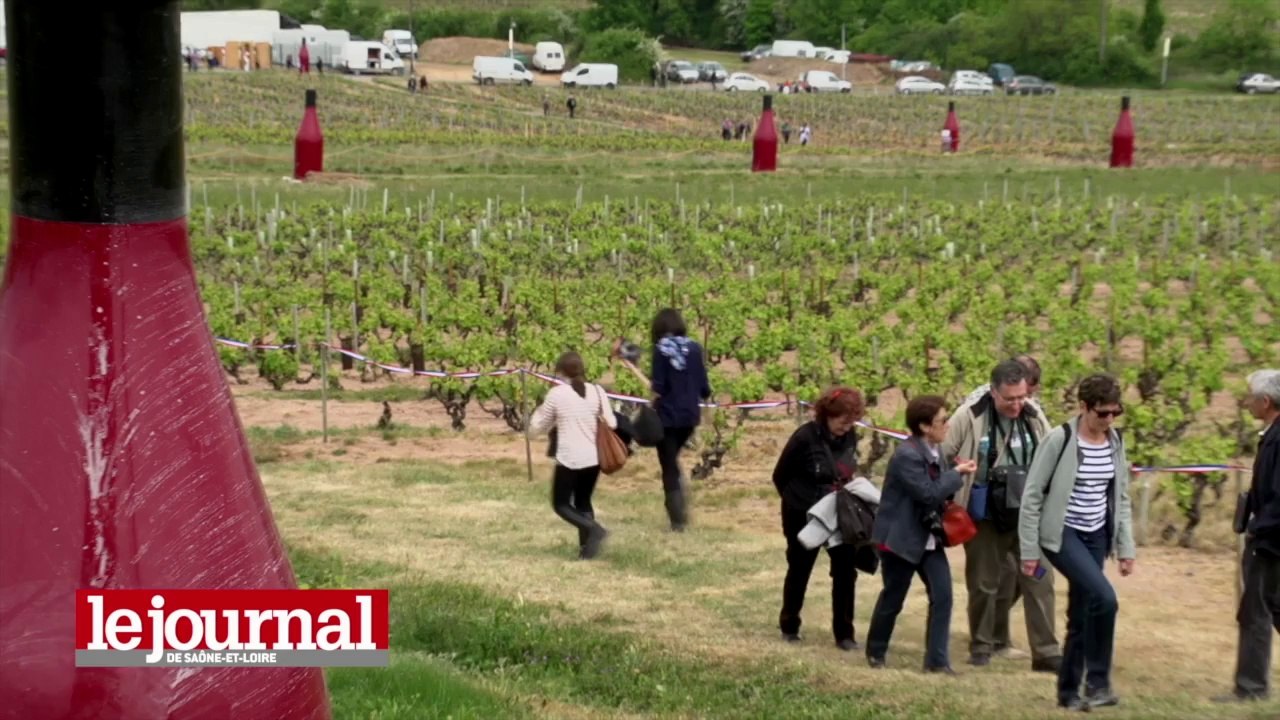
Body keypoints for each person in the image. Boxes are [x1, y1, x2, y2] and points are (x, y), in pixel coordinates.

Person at [1020, 373, 1135, 711]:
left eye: (1116, 412)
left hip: (1097, 534)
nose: (1110, 420)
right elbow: (1032, 496)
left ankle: (1071, 693)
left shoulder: (1115, 441)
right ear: (1083, 407)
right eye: (1103, 413)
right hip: (1063, 534)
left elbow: (1122, 496)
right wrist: (1030, 550)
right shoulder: (1060, 439)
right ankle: (1098, 682)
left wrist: (1126, 547)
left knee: (1083, 611)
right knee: (1105, 599)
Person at [944, 359, 1060, 671]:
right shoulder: (970, 415)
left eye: (1022, 397)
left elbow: (1052, 452)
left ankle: (1047, 653)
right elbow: (943, 453)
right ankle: (981, 645)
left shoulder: (1034, 414)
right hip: (984, 514)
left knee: (1040, 580)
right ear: (994, 391)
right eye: (1009, 399)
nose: (1017, 404)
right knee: (983, 583)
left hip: (1027, 514)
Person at [867, 396, 976, 672]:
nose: (948, 425)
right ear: (925, 426)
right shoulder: (907, 455)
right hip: (900, 539)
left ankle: (937, 663)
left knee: (943, 596)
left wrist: (952, 474)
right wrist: (956, 474)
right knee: (894, 597)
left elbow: (937, 492)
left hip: (927, 536)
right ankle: (876, 651)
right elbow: (927, 493)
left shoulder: (934, 450)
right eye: (942, 420)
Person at [772, 387, 867, 649]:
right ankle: (789, 625)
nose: (845, 428)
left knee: (846, 571)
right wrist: (798, 503)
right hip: (803, 514)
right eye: (841, 421)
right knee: (800, 569)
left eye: (851, 423)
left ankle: (845, 634)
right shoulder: (804, 438)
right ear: (827, 414)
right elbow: (780, 475)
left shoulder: (850, 437)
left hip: (838, 514)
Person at [1215, 369, 1280, 704]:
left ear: (1265, 401)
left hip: (1271, 543)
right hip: (1268, 538)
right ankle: (1251, 684)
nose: (1247, 402)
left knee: (1259, 609)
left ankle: (1251, 686)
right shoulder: (1272, 434)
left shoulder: (1278, 438)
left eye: (1252, 397)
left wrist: (1257, 528)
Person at [616, 309, 711, 531]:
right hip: (690, 417)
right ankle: (681, 508)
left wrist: (632, 369)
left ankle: (678, 520)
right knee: (673, 461)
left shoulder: (661, 350)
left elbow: (657, 389)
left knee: (668, 465)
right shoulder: (695, 348)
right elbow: (704, 389)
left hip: (668, 417)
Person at [528, 351, 615, 560]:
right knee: (583, 501)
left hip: (569, 458)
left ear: (560, 372)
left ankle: (595, 530)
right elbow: (612, 423)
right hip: (594, 458)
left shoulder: (557, 395)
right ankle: (587, 552)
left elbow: (535, 428)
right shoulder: (597, 391)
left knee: (561, 504)